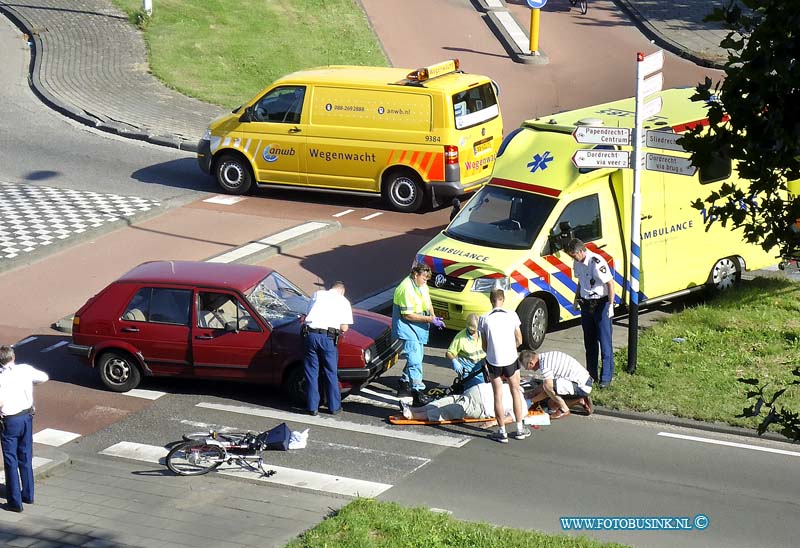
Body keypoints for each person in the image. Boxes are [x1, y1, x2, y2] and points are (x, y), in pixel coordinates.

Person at [0, 345, 49, 512]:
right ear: (13, 357)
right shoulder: (25, 370)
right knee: (26, 456)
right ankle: (28, 494)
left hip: (10, 421)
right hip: (27, 417)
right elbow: (43, 377)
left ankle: (15, 502)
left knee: (10, 460)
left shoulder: (1, 378)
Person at [479, 289, 529, 443]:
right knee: (515, 391)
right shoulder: (512, 315)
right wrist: (510, 348)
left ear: (491, 300)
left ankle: (502, 431)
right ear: (503, 299)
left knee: (497, 395)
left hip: (494, 361)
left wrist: (494, 351)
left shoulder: (484, 318)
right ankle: (519, 429)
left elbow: (484, 345)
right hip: (511, 359)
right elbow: (519, 340)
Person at [565, 238, 615, 388]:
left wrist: (611, 305)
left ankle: (606, 378)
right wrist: (576, 298)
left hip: (601, 303)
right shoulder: (577, 263)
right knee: (589, 342)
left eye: (574, 255)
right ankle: (591, 375)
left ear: (581, 251)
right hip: (586, 304)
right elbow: (581, 282)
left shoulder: (596, 262)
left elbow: (610, 283)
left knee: (605, 342)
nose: (573, 258)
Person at [392, 263, 444, 403]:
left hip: (418, 328)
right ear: (416, 275)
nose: (425, 281)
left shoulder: (421, 285)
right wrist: (430, 319)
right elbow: (407, 315)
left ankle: (404, 384)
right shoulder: (405, 289)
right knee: (415, 360)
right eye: (424, 278)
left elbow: (428, 303)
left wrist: (434, 316)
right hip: (407, 327)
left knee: (417, 357)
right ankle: (417, 392)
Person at [302, 281, 353, 416]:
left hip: (310, 335)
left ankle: (312, 407)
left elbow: (308, 313)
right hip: (327, 338)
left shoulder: (317, 294)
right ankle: (333, 407)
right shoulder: (343, 301)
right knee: (330, 372)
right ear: (342, 291)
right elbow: (344, 327)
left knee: (311, 372)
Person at [398, 381, 531, 424]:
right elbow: (512, 417)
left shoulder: (513, 385)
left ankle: (414, 410)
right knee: (450, 411)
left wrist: (494, 422)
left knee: (449, 401)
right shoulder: (523, 406)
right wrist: (495, 423)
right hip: (482, 403)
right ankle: (415, 415)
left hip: (477, 390)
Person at [520, 349, 594, 419]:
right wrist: (532, 393)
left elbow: (548, 387)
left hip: (582, 386)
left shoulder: (545, 365)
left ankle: (564, 409)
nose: (528, 370)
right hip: (583, 381)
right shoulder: (546, 357)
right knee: (549, 394)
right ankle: (580, 401)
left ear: (531, 363)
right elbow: (546, 384)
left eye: (527, 367)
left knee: (551, 404)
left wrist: (531, 401)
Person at [445, 313, 486, 392]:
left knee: (482, 388)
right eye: (472, 330)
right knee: (471, 391)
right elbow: (449, 353)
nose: (474, 332)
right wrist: (454, 361)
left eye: (476, 330)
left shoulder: (482, 333)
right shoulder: (460, 337)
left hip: (480, 367)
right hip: (467, 371)